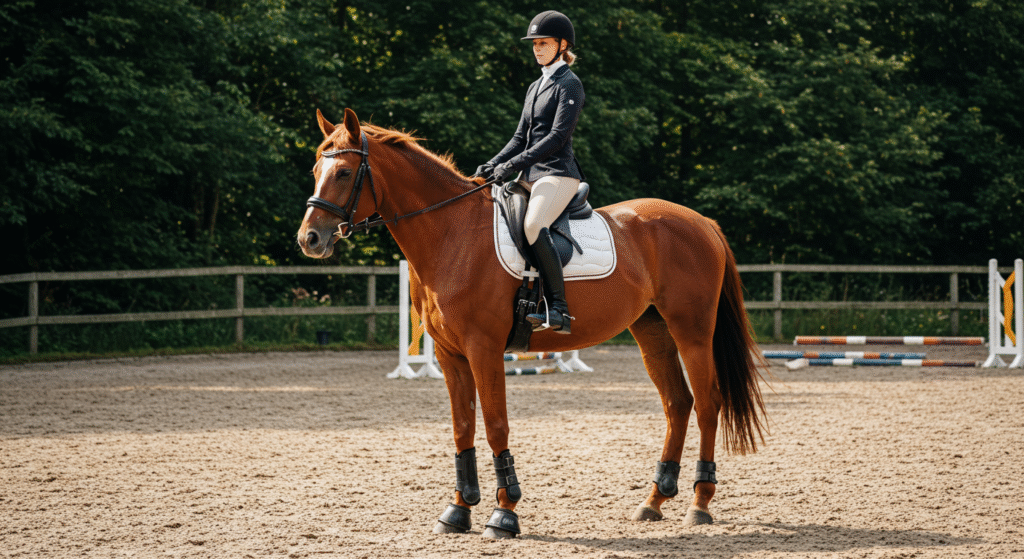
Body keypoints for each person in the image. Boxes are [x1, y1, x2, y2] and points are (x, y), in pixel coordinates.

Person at [475, 10, 585, 335]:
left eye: (544, 43)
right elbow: (520, 137)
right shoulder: (536, 86)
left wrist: (512, 165)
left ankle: (559, 308)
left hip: (558, 173)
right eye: (534, 44)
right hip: (528, 176)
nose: (537, 49)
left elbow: (557, 137)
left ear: (562, 45)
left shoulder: (570, 84)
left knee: (535, 224)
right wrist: (492, 164)